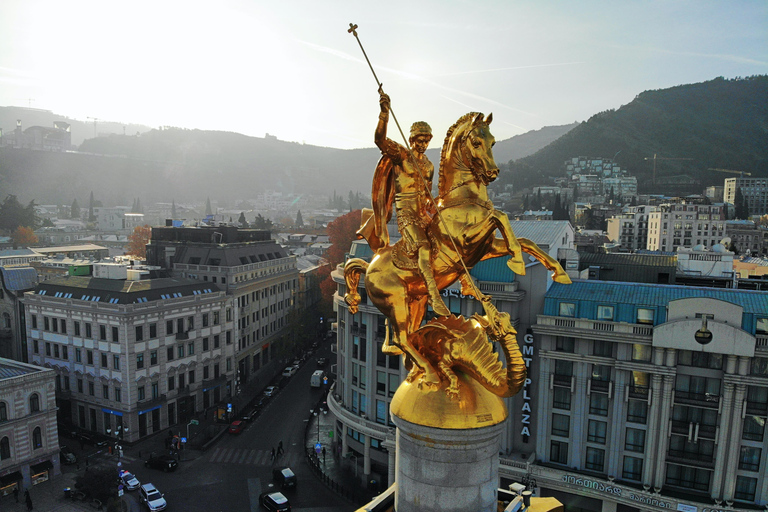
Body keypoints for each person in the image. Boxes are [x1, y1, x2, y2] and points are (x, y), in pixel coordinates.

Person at [366, 90, 450, 317]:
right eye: (419, 140)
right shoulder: (401, 156)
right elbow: (379, 140)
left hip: (423, 214)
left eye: (427, 140)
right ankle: (432, 294)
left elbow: (427, 195)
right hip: (407, 216)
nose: (423, 144)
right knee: (422, 246)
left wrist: (434, 210)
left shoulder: (429, 166)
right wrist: (384, 114)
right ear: (411, 140)